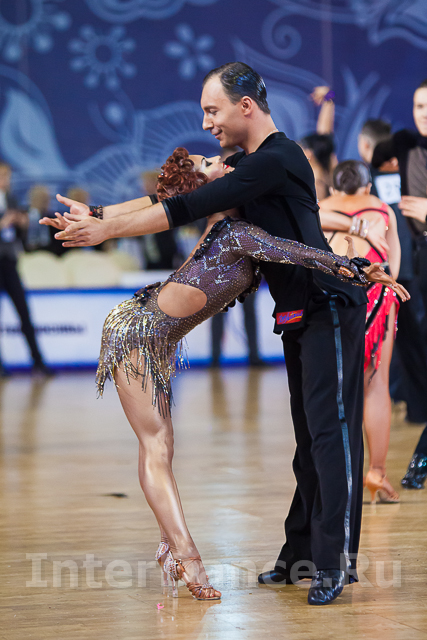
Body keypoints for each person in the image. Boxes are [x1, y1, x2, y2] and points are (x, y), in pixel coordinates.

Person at [45, 62, 393, 605]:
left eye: (213, 110)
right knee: (309, 440)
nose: (206, 124)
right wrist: (97, 212)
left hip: (328, 306)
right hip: (296, 312)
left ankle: (333, 565)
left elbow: (188, 205)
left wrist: (106, 228)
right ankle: (300, 557)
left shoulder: (278, 158)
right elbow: (172, 194)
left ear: (245, 106)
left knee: (331, 437)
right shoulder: (246, 166)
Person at [319, 160, 401, 503]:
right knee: (376, 386)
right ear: (368, 187)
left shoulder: (319, 208)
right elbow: (393, 270)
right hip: (376, 299)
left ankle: (333, 480)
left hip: (331, 299)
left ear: (334, 188)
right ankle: (376, 472)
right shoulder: (383, 210)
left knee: (330, 390)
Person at [372, 80, 427, 489]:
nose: (424, 113)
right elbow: (376, 157)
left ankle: (420, 461)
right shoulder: (407, 142)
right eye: (419, 106)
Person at [0, 162, 51, 376]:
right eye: (3, 176)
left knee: (23, 311)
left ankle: (38, 361)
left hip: (10, 261)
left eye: (7, 176)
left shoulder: (11, 200)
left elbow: (19, 235)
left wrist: (22, 224)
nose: (6, 180)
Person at [299, 86, 337, 200]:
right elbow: (325, 134)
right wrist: (328, 98)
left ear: (308, 153)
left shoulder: (316, 185)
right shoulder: (329, 168)